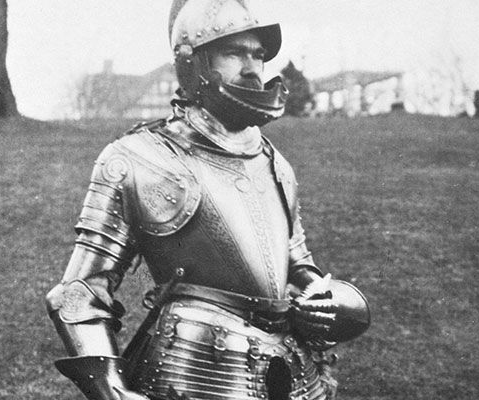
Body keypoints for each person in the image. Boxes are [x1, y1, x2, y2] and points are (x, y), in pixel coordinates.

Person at [45, 1, 370, 399]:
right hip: (190, 372)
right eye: (235, 52)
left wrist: (322, 296)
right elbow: (79, 293)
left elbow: (295, 264)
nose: (252, 68)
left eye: (258, 55)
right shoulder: (136, 158)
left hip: (292, 375)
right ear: (193, 62)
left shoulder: (274, 163)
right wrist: (112, 390)